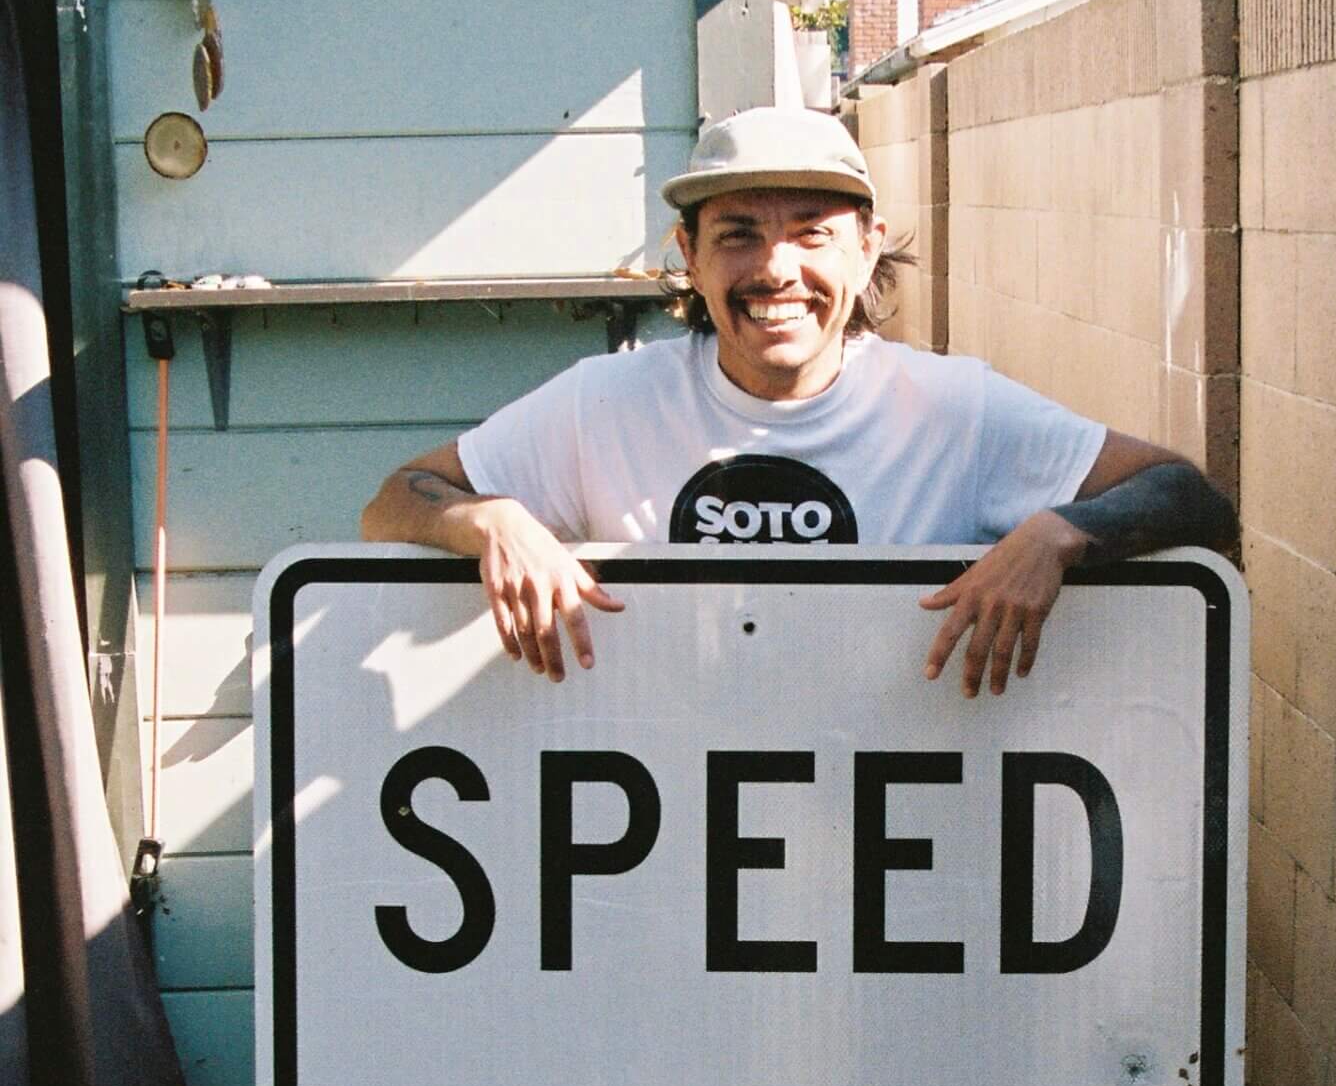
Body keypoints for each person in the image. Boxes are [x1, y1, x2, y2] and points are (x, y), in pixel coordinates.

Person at [360, 107, 1237, 697]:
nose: (775, 269)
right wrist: (489, 522)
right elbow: (394, 501)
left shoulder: (952, 410)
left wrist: (1058, 535)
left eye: (811, 234)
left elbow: (1190, 500)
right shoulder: (605, 404)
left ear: (865, 250)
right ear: (691, 257)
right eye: (738, 235)